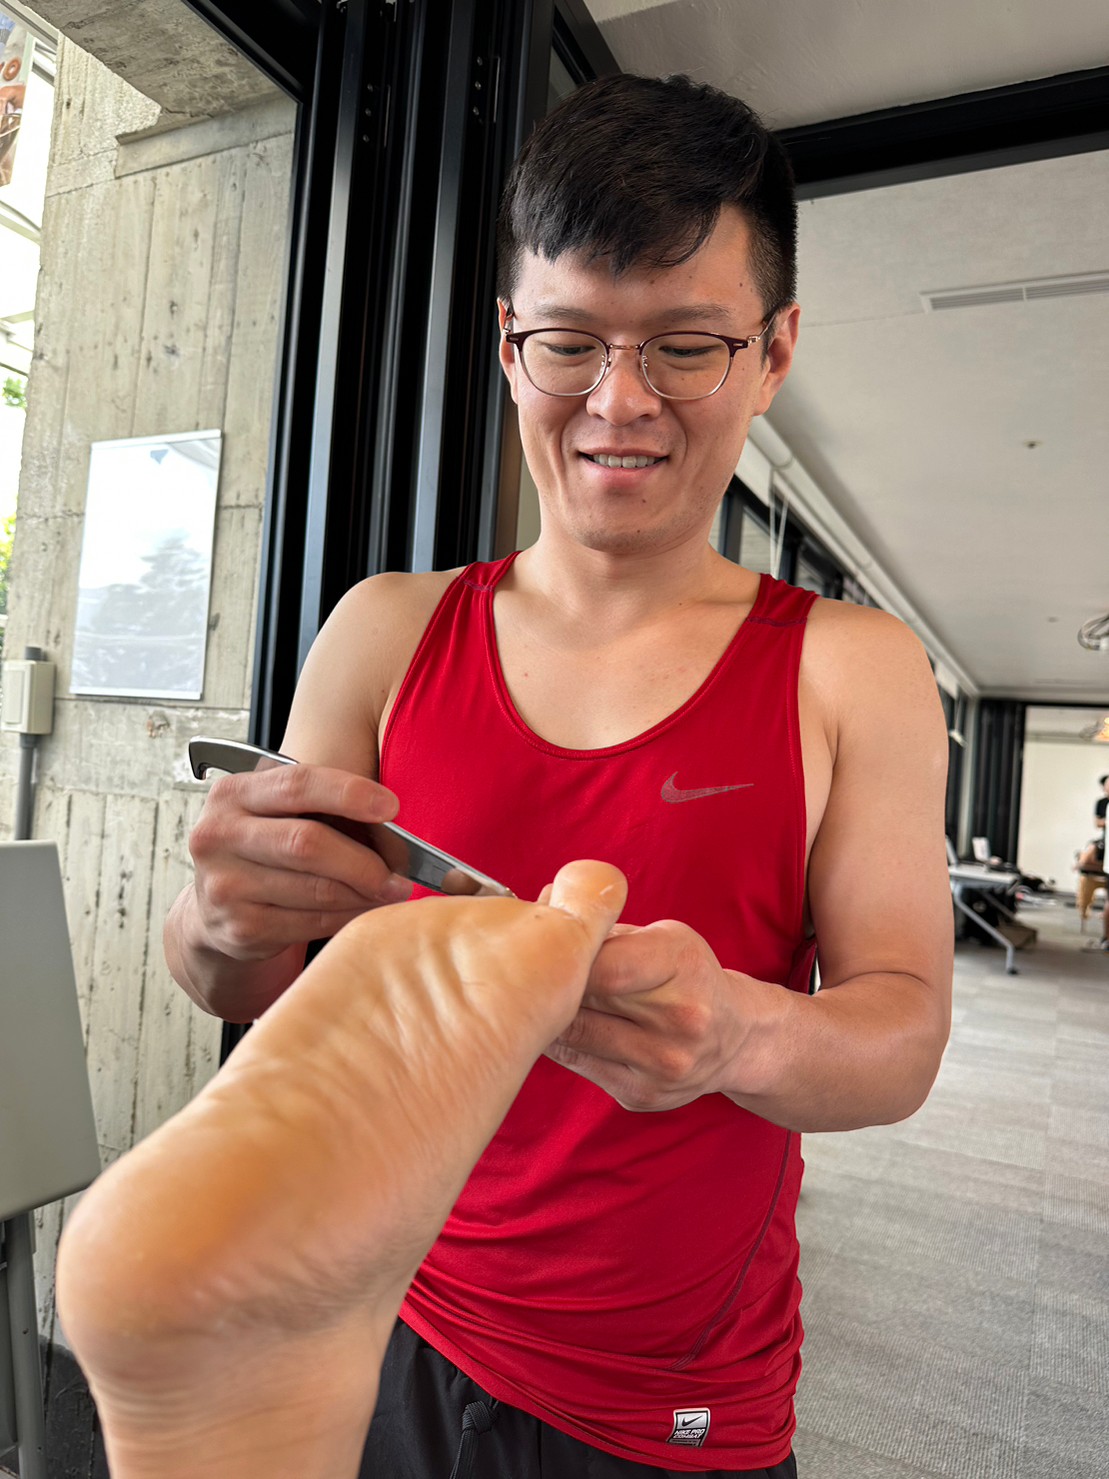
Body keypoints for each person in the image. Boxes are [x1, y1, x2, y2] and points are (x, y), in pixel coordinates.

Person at [164, 72, 953, 1478]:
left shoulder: (852, 668)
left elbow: (900, 1037)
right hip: (376, 1318)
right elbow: (242, 982)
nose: (619, 402)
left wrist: (734, 1036)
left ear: (772, 352)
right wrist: (217, 921)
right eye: (570, 344)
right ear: (507, 345)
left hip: (671, 1395)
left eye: (685, 347)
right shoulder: (386, 629)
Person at [57, 861, 628, 1479]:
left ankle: (267, 1236)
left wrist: (721, 1044)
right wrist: (210, 914)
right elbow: (222, 974)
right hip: (448, 1317)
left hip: (485, 1326)